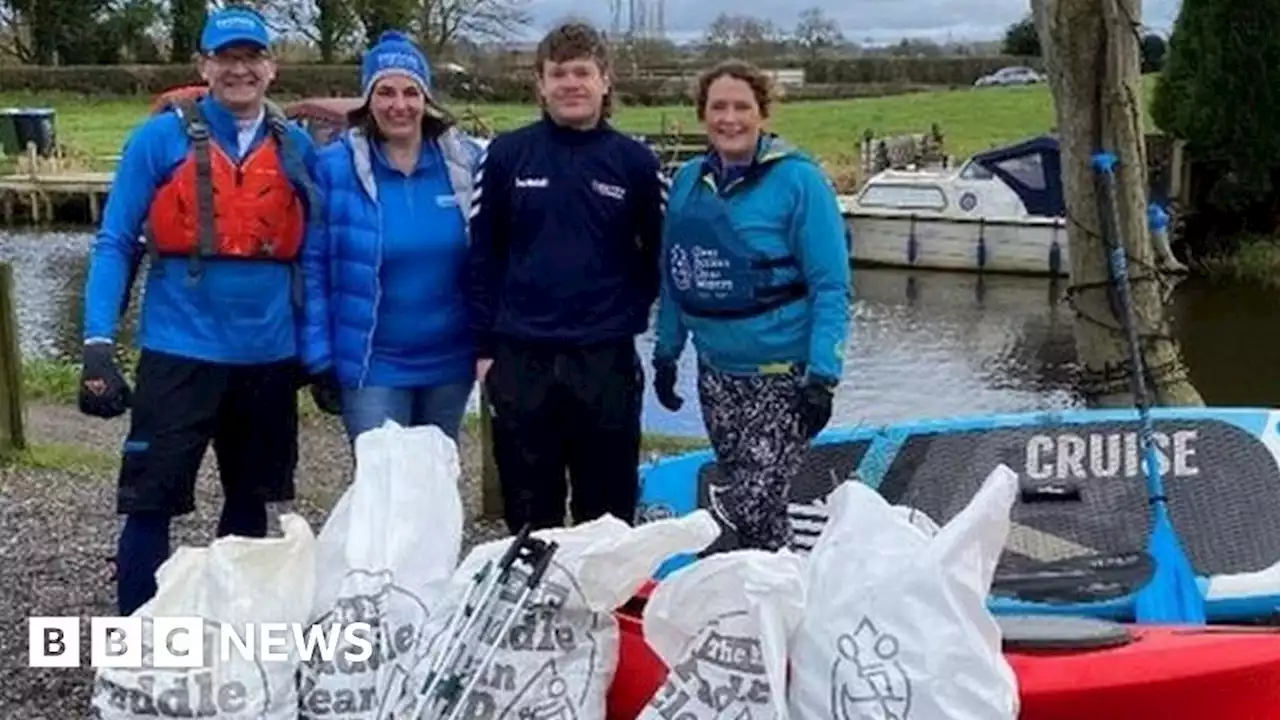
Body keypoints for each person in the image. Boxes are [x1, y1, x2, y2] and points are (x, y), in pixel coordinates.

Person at [77, 5, 318, 615]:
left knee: (248, 505)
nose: (240, 69)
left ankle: (231, 646)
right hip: (179, 353)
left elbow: (321, 256)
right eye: (226, 57)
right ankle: (135, 646)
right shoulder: (158, 139)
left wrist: (323, 353)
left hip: (268, 358)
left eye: (252, 57)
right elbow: (114, 243)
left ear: (272, 68)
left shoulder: (299, 148)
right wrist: (98, 343)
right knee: (149, 503)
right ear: (204, 65)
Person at [467, 21, 667, 533]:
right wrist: (485, 348)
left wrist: (627, 311)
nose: (570, 84)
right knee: (531, 518)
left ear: (605, 80)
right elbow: (482, 253)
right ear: (540, 83)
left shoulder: (637, 162)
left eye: (583, 72)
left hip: (604, 360)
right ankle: (535, 611)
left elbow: (659, 254)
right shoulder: (506, 155)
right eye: (558, 73)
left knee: (607, 517)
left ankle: (602, 612)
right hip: (521, 358)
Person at [650, 59, 851, 552]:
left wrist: (824, 376)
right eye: (718, 107)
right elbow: (677, 273)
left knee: (753, 502)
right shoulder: (688, 182)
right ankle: (766, 600)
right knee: (755, 506)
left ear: (762, 113)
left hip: (783, 376)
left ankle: (775, 597)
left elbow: (831, 285)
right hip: (717, 375)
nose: (730, 118)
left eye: (742, 106)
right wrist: (666, 353)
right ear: (703, 115)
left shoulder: (799, 181)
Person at [299, 30, 484, 444]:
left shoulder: (465, 163)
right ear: (367, 99)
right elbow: (313, 265)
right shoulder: (333, 168)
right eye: (385, 92)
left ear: (426, 99)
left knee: (434, 479)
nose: (399, 105)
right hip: (373, 362)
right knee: (382, 486)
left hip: (450, 360)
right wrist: (319, 356)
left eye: (410, 92)